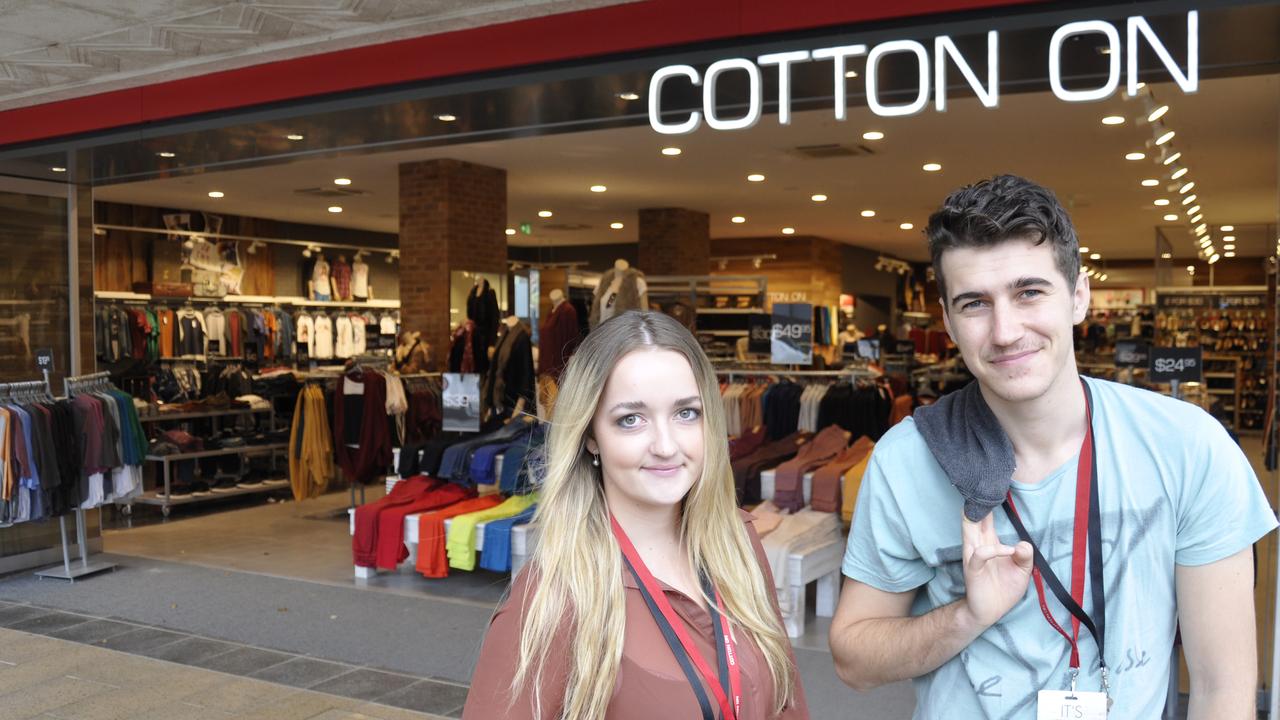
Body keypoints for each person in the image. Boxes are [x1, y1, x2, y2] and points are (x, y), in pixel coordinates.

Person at [828, 174, 1275, 719]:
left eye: (1029, 292)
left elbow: (1222, 689)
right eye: (974, 304)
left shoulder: (1188, 447)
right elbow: (853, 659)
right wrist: (968, 615)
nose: (1006, 330)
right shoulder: (907, 457)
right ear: (947, 321)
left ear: (1079, 296)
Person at [464, 310, 808, 719]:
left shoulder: (737, 539)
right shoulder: (554, 597)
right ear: (591, 435)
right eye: (631, 419)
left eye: (686, 413)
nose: (665, 445)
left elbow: (788, 700)